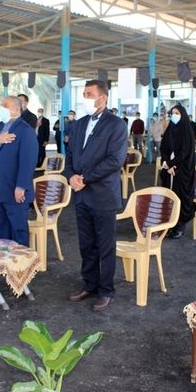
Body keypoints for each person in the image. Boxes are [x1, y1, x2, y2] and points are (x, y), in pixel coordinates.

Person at [65, 80, 127, 312]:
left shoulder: (116, 125)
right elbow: (69, 155)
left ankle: (105, 290)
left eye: (89, 94)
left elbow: (114, 160)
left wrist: (85, 178)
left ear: (103, 98)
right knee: (86, 244)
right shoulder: (78, 124)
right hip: (81, 195)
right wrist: (71, 176)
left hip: (102, 195)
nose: (85, 98)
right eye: (84, 94)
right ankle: (89, 284)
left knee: (105, 245)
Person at [0, 96, 38, 245]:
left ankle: (21, 266)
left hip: (14, 188)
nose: (1, 108)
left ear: (16, 109)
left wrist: (21, 186)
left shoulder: (25, 130)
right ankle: (5, 262)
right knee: (0, 227)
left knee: (18, 230)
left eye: (5, 105)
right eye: (1, 105)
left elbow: (28, 162)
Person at [159, 104, 196, 239]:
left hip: (181, 171)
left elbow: (186, 152)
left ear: (183, 115)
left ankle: (180, 226)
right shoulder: (170, 130)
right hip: (169, 170)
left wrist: (174, 165)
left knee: (180, 197)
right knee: (168, 197)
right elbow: (164, 148)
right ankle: (169, 225)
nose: (174, 116)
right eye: (173, 113)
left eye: (177, 113)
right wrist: (168, 164)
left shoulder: (187, 131)